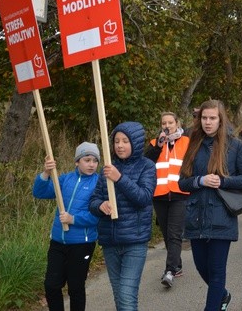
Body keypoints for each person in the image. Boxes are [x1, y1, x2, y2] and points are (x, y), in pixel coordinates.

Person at [179, 100, 242, 311]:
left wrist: (223, 180)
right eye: (204, 118)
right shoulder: (193, 144)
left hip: (222, 215)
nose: (208, 122)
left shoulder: (236, 146)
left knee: (216, 271)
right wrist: (200, 180)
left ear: (221, 119)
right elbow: (182, 182)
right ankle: (223, 295)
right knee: (201, 267)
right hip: (196, 216)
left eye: (212, 118)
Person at [89, 122, 156, 311]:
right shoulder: (108, 168)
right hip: (110, 241)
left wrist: (119, 178)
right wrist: (100, 205)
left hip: (134, 241)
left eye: (125, 141)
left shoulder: (147, 166)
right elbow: (93, 201)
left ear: (134, 142)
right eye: (117, 141)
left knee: (127, 295)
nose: (120, 145)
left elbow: (143, 198)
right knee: (119, 296)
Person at [32, 142, 100, 311]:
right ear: (77, 162)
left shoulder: (99, 184)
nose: (91, 164)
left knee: (75, 288)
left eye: (95, 161)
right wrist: (47, 173)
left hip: (82, 244)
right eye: (87, 160)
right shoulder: (64, 179)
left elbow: (99, 215)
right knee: (51, 285)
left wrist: (73, 219)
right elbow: (39, 192)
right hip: (58, 241)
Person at [144, 112, 189, 287]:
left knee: (174, 233)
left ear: (177, 123)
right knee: (166, 234)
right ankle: (177, 265)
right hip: (160, 194)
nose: (167, 125)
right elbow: (146, 163)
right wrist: (158, 145)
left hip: (180, 193)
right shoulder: (155, 143)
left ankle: (169, 270)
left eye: (170, 122)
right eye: (164, 122)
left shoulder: (187, 142)